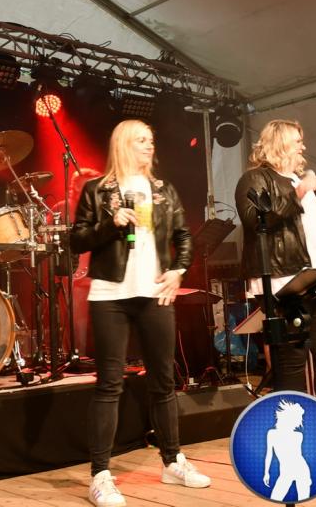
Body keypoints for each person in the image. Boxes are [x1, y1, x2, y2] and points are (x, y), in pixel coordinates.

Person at [70, 119, 210, 507]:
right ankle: (100, 475)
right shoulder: (97, 190)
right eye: (141, 140)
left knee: (163, 381)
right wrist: (110, 223)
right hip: (110, 295)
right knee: (109, 384)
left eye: (151, 140)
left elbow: (183, 236)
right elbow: (76, 239)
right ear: (123, 145)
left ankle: (172, 461)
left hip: (154, 293)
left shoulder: (163, 190)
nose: (150, 146)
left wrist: (178, 270)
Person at [234, 119, 316, 457]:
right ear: (278, 143)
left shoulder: (300, 180)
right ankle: (296, 436)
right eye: (296, 141)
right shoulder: (256, 178)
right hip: (283, 280)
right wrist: (300, 192)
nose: (302, 147)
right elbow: (256, 220)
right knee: (291, 359)